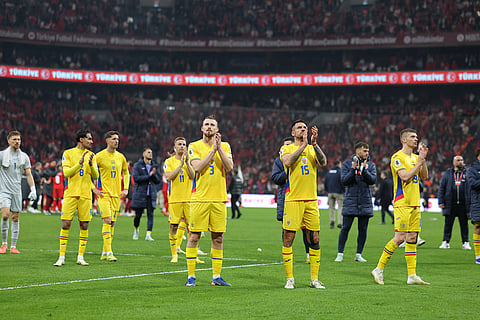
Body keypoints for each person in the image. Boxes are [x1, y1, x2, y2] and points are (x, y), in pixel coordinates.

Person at [371, 128, 430, 285]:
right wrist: (419, 162)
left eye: (417, 136)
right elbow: (404, 177)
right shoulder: (397, 157)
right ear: (404, 140)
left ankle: (412, 276)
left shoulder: (417, 158)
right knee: (400, 238)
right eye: (412, 137)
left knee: (412, 238)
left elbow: (425, 176)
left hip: (415, 202)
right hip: (402, 202)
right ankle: (378, 269)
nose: (416, 139)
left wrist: (422, 160)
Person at [185, 115, 234, 287]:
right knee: (194, 236)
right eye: (206, 124)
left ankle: (216, 276)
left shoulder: (225, 146)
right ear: (201, 128)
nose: (209, 127)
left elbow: (229, 167)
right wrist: (213, 151)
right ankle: (191, 276)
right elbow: (197, 167)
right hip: (200, 199)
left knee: (218, 238)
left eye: (212, 125)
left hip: (219, 199)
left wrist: (219, 149)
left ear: (217, 129)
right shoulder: (194, 146)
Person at [280, 120, 327, 289]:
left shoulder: (312, 148)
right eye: (299, 128)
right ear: (293, 133)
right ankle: (290, 278)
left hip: (311, 200)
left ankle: (314, 279)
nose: (303, 129)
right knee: (289, 238)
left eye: (305, 128)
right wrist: (303, 146)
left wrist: (314, 145)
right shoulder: (287, 148)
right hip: (293, 200)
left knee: (314, 239)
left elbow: (323, 162)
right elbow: (288, 162)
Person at [53, 129, 99, 266]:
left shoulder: (92, 155)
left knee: (84, 225)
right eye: (89, 139)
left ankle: (80, 257)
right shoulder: (68, 153)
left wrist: (91, 165)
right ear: (81, 140)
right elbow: (66, 173)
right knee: (66, 224)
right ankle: (61, 257)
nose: (91, 141)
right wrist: (79, 164)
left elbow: (96, 176)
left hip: (85, 195)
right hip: (71, 193)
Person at [335, 142, 376, 263]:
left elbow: (372, 180)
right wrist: (353, 170)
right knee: (345, 228)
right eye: (364, 151)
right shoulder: (347, 164)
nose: (367, 153)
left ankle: (359, 254)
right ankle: (340, 253)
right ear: (357, 151)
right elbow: (344, 181)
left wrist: (364, 171)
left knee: (363, 229)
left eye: (368, 151)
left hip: (365, 201)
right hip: (350, 201)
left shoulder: (371, 165)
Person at [164, 137, 203, 264]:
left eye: (184, 144)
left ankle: (194, 256)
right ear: (174, 147)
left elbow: (193, 176)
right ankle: (174, 254)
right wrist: (179, 165)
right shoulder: (169, 161)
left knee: (192, 229)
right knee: (173, 226)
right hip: (175, 200)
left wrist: (185, 163)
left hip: (189, 200)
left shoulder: (190, 162)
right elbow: (169, 177)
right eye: (179, 144)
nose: (182, 146)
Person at [272, 137, 310, 264]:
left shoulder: (302, 158)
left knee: (306, 229)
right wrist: (288, 171)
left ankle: (308, 254)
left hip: (302, 195)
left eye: (289, 145)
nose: (286, 148)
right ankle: (287, 255)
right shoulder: (278, 162)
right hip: (286, 197)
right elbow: (275, 178)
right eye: (285, 146)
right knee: (287, 230)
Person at [0, 131, 36, 254]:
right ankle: (4, 244)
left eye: (19, 139)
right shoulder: (2, 155)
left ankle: (13, 246)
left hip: (17, 190)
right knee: (5, 215)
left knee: (15, 217)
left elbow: (28, 174)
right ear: (9, 141)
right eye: (14, 139)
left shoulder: (24, 157)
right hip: (4, 190)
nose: (17, 142)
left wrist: (33, 190)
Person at [95, 131, 130, 261]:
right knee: (107, 220)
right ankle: (109, 252)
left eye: (118, 139)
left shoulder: (121, 157)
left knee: (113, 223)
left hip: (117, 195)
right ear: (107, 140)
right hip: (104, 194)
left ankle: (104, 251)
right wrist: (94, 189)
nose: (116, 141)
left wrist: (126, 188)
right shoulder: (99, 156)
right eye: (114, 139)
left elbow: (126, 173)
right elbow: (90, 172)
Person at [438, 155, 471, 250]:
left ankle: (466, 242)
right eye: (458, 160)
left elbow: (471, 188)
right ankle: (445, 242)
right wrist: (441, 201)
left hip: (463, 203)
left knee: (464, 224)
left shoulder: (467, 173)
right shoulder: (448, 173)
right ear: (454, 162)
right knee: (448, 224)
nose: (461, 162)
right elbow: (442, 188)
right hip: (450, 203)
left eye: (462, 160)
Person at [131, 147, 161, 241]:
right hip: (140, 194)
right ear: (143, 154)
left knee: (150, 214)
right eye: (148, 152)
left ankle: (148, 234)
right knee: (138, 215)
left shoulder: (154, 166)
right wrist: (149, 175)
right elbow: (136, 178)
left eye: (151, 152)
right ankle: (136, 229)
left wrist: (154, 175)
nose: (150, 154)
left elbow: (158, 180)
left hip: (150, 194)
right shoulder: (137, 165)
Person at [466, 148, 480, 264]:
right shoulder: (472, 169)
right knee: (478, 227)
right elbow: (472, 184)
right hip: (478, 202)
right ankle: (478, 256)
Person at [324, 160, 345, 229]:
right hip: (338, 192)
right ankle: (340, 223)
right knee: (340, 208)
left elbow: (325, 182)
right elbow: (342, 182)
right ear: (338, 164)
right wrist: (343, 191)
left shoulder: (329, 172)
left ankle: (332, 222)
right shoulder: (340, 172)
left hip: (330, 192)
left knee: (331, 208)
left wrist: (328, 191)